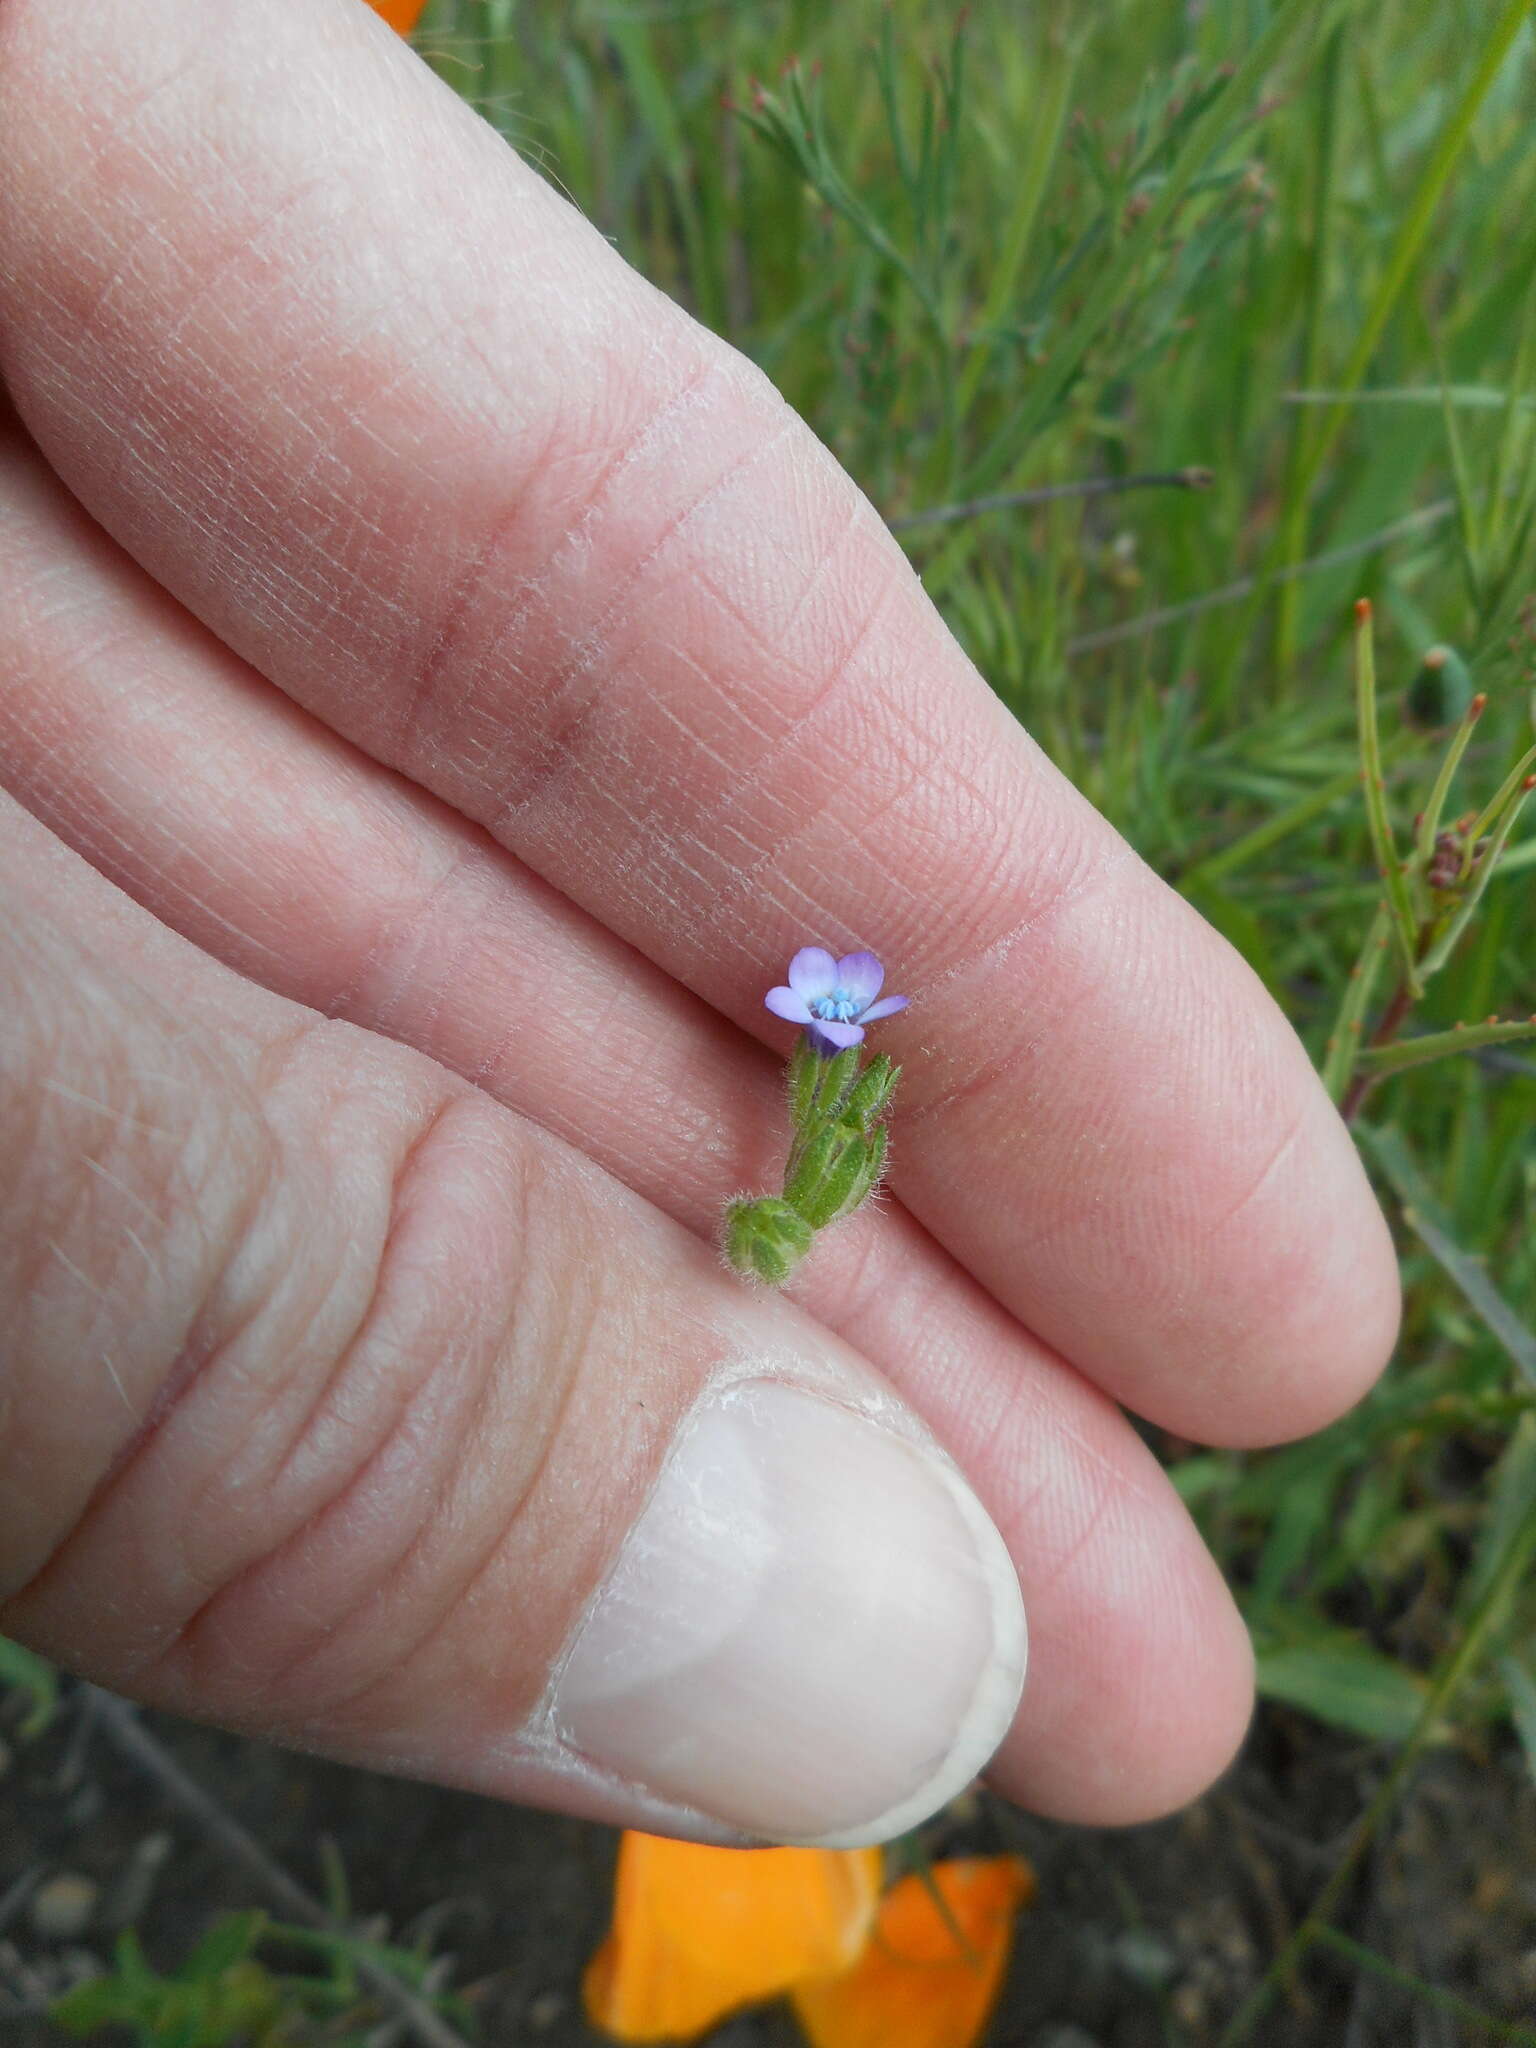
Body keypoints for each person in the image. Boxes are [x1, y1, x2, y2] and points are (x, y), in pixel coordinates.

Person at [0, 0, 1399, 1850]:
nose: (834, 1013)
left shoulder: (836, 1068)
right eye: (834, 1009)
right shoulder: (815, 1073)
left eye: (838, 1009)